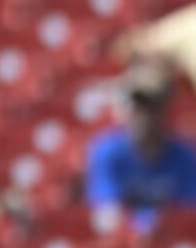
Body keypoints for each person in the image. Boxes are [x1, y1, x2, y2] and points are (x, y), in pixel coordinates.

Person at [84, 59, 196, 234]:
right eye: (138, 104)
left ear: (165, 108)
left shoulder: (186, 157)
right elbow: (106, 210)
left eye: (153, 104)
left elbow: (188, 215)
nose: (145, 114)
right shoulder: (107, 152)